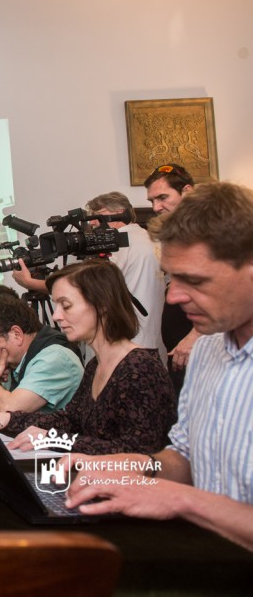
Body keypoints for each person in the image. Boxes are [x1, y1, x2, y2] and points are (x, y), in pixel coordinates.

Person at [66, 182, 253, 552]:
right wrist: (125, 466)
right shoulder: (207, 350)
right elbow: (184, 456)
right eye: (171, 277)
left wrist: (182, 500)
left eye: (194, 280)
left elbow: (186, 493)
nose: (174, 296)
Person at [0, 259, 175, 455]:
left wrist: (53, 439)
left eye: (66, 306)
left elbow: (138, 454)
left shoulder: (140, 368)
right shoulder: (96, 365)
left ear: (101, 305)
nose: (56, 316)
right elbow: (71, 419)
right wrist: (7, 419)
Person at [13, 192, 164, 358]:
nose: (92, 222)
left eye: (98, 214)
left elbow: (84, 288)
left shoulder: (119, 243)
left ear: (119, 212)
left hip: (121, 343)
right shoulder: (150, 239)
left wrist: (30, 283)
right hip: (150, 339)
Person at [144, 163, 199, 380]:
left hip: (198, 345)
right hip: (178, 348)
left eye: (162, 197)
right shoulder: (176, 233)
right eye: (152, 201)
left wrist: (195, 335)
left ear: (187, 191)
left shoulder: (209, 231)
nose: (156, 207)